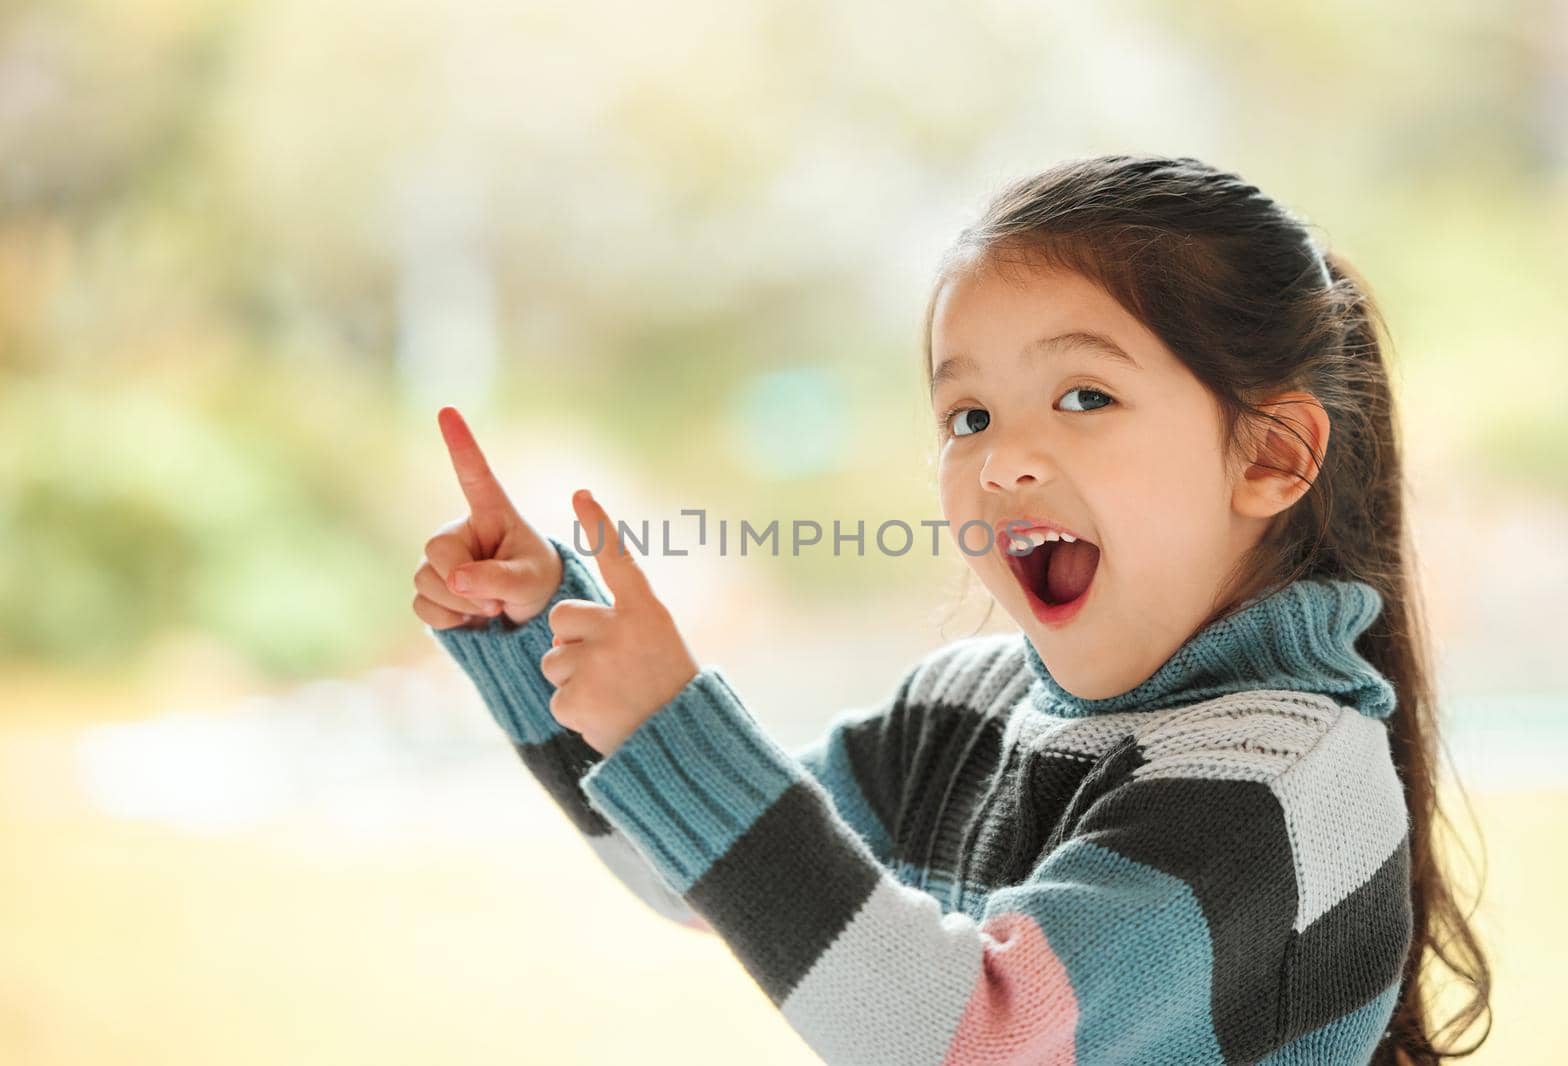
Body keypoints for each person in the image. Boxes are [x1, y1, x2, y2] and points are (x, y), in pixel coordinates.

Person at [411, 154, 1489, 1064]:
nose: (1004, 458)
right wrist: (534, 628)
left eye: (1082, 397)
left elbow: (971, 1032)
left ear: (1270, 454)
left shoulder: (1284, 782)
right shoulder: (960, 710)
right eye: (967, 412)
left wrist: (667, 719)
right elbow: (698, 869)